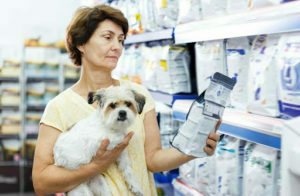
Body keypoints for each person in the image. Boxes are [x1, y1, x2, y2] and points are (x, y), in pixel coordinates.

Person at [32, 4, 220, 196]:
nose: (117, 47)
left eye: (121, 40)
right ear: (81, 44)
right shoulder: (59, 108)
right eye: (107, 37)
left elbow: (153, 160)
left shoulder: (138, 95)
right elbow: (41, 183)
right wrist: (96, 166)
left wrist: (192, 150)